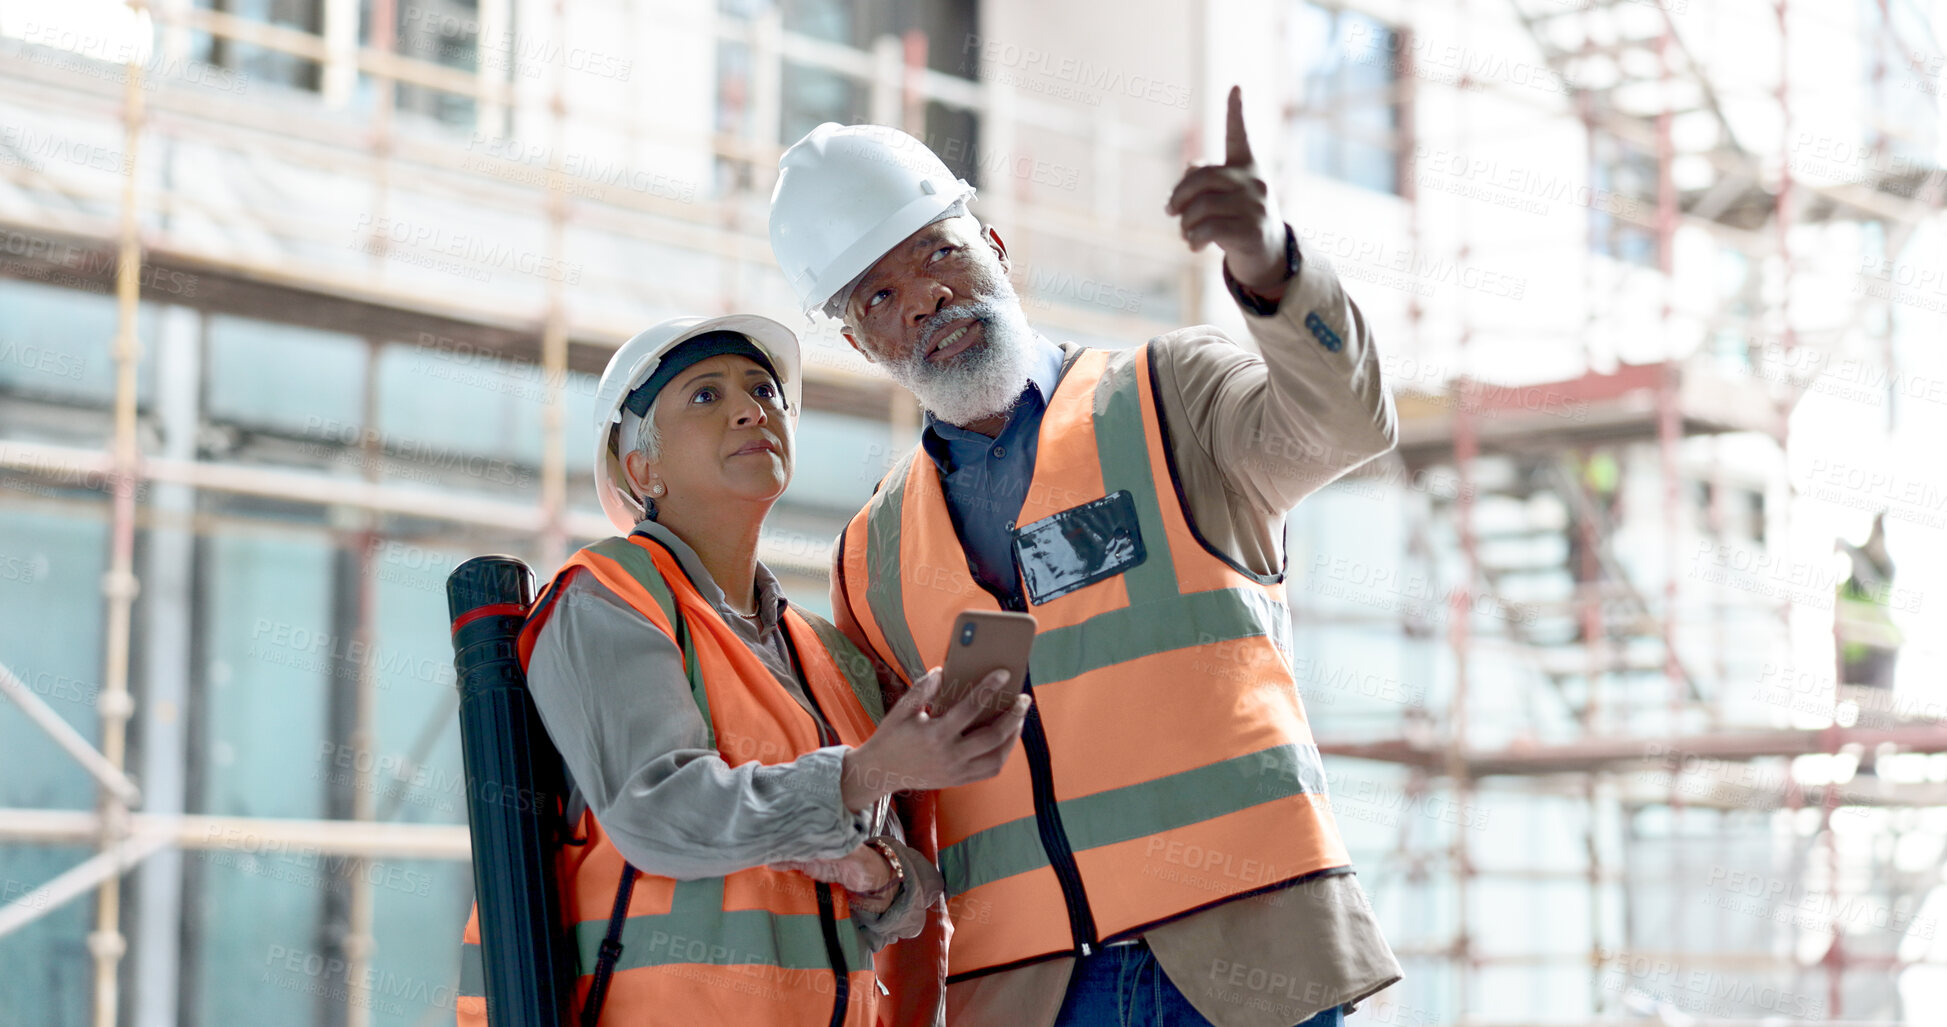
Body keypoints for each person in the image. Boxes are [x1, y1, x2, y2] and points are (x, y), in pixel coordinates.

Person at [767, 87, 1403, 1027]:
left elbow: (1343, 421)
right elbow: (893, 803)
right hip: (1028, 993)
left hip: (1237, 964)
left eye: (939, 251)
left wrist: (1271, 267)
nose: (926, 299)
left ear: (995, 248)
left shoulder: (1169, 398)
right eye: (880, 296)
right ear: (862, 341)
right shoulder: (870, 551)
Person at [454, 315, 1030, 1026]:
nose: (749, 407)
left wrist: (877, 872)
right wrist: (865, 773)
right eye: (704, 394)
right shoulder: (609, 594)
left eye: (763, 389)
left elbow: (902, 895)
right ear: (643, 468)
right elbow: (657, 810)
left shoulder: (824, 652)